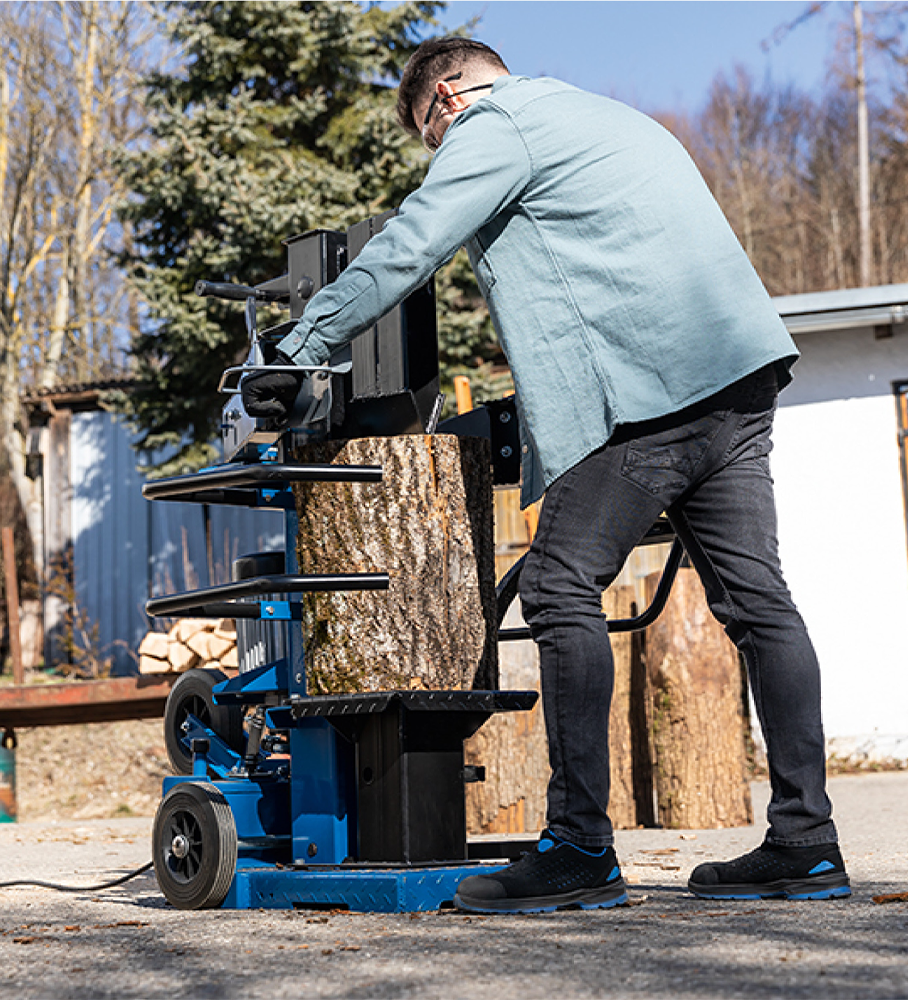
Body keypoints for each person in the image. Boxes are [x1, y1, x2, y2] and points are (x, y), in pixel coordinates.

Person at [242, 36, 848, 914]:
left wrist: (298, 349)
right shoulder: (600, 114)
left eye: (427, 137)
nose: (439, 151)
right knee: (760, 604)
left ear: (445, 98)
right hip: (736, 378)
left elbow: (414, 242)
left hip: (648, 394)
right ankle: (806, 842)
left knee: (560, 588)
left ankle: (577, 851)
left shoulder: (496, 124)